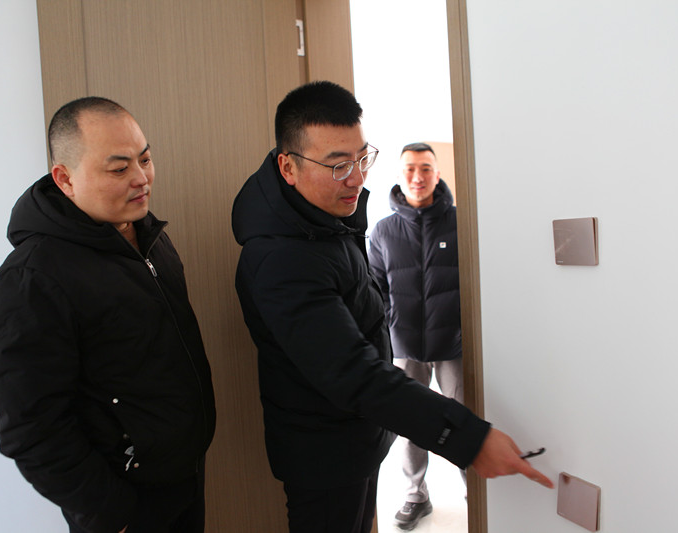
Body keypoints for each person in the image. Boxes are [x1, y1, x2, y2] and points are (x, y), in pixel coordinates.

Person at [231, 81, 552, 533]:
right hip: (323, 457)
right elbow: (352, 372)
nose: (357, 178)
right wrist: (468, 439)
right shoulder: (282, 258)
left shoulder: (326, 223)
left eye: (362, 158)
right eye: (338, 165)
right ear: (288, 167)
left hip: (358, 437)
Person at [0, 97, 216, 533]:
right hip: (123, 503)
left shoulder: (148, 236)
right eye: (119, 168)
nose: (141, 178)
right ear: (65, 179)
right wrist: (110, 513)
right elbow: (30, 429)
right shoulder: (32, 279)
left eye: (145, 159)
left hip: (182, 478)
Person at [368, 142, 464, 530]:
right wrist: (388, 334)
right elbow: (375, 290)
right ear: (399, 175)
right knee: (409, 422)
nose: (417, 176)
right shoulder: (383, 231)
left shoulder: (461, 223)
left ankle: (475, 490)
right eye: (410, 168)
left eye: (425, 168)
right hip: (404, 345)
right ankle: (416, 494)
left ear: (437, 175)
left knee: (463, 418)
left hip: (454, 344)